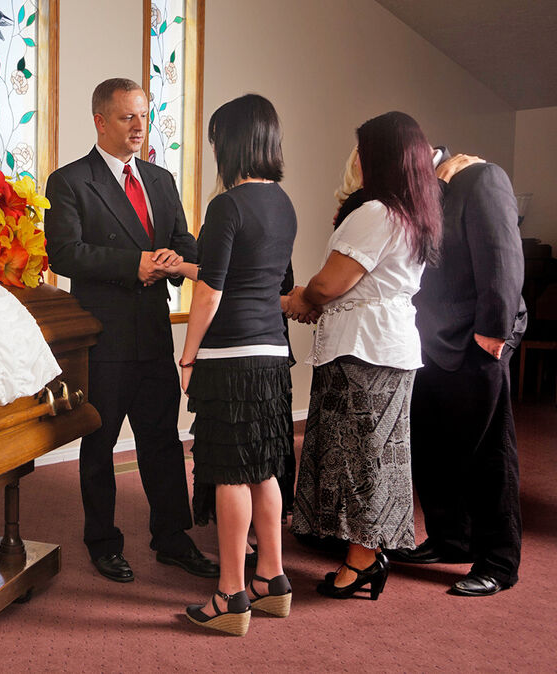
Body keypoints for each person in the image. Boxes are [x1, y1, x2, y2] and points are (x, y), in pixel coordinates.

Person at [45, 78, 215, 583]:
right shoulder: (70, 180)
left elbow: (186, 241)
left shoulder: (161, 180)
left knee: (162, 440)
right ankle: (102, 542)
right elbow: (65, 253)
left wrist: (173, 258)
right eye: (127, 117)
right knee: (99, 445)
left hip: (153, 333)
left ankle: (171, 538)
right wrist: (134, 263)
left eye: (144, 115)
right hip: (103, 335)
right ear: (100, 121)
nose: (140, 125)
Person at [288, 111, 443, 601]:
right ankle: (367, 550)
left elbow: (331, 283)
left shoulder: (377, 212)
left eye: (361, 149)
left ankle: (361, 561)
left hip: (364, 349)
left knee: (359, 458)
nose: (355, 158)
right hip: (389, 344)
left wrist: (304, 298)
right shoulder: (413, 210)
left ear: (378, 156)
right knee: (380, 454)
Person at [179, 93, 296, 636]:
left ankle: (231, 594)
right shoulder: (283, 204)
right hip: (272, 356)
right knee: (264, 468)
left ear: (231, 143)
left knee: (228, 472)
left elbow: (210, 293)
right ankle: (273, 579)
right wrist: (188, 262)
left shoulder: (227, 205)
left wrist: (188, 354)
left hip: (229, 358)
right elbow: (278, 283)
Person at [387, 150, 527, 597]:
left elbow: (503, 259)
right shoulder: (426, 190)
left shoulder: (483, 177)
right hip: (427, 341)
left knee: (487, 455)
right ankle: (450, 540)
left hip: (477, 341)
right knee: (431, 449)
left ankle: (499, 562)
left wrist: (492, 333)